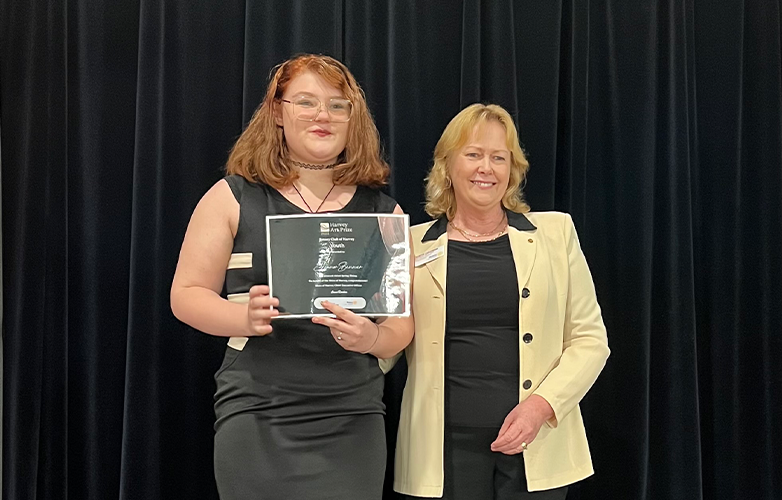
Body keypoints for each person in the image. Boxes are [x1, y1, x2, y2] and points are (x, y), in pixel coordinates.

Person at [170, 54, 414, 500]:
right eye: (306, 102)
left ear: (353, 118)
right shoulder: (231, 197)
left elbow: (399, 327)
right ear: (278, 112)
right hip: (258, 410)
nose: (323, 115)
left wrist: (370, 340)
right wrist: (241, 319)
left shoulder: (385, 214)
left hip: (351, 416)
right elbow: (185, 295)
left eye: (338, 105)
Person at [394, 103, 610, 499]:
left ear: (513, 169)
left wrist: (541, 406)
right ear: (447, 165)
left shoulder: (556, 233)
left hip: (536, 444)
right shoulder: (406, 243)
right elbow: (387, 346)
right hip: (440, 454)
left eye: (499, 157)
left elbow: (590, 339)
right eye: (474, 154)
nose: (486, 168)